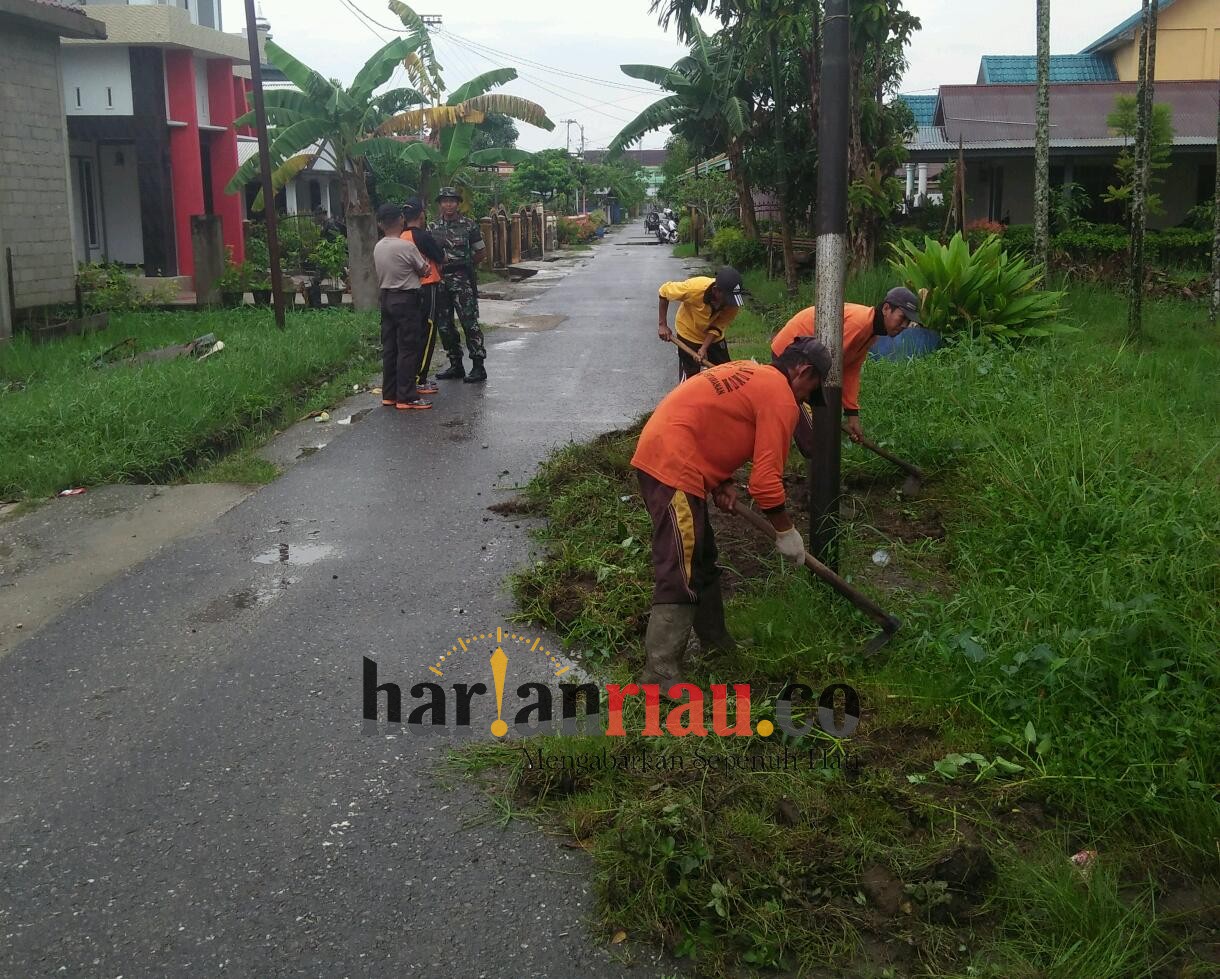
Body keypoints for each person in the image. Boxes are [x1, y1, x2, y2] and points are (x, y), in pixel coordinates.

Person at [629, 337, 831, 687]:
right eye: (809, 392)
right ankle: (659, 674)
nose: (803, 402)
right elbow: (765, 483)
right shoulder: (781, 396)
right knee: (680, 566)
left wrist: (721, 480)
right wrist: (786, 532)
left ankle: (717, 644)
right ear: (805, 372)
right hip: (672, 466)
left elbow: (709, 419)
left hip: (674, 453)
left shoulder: (752, 372)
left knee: (702, 558)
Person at [769, 286, 921, 452]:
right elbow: (830, 364)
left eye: (908, 321)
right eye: (902, 318)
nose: (904, 325)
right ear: (886, 309)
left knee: (817, 435)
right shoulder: (859, 323)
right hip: (792, 359)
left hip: (810, 366)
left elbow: (851, 369)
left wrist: (852, 414)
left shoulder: (872, 332)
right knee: (812, 439)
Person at [372, 203, 431, 410]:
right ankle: (406, 396)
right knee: (407, 347)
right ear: (401, 220)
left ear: (380, 225)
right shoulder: (406, 247)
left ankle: (389, 393)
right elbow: (424, 270)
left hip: (386, 298)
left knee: (390, 347)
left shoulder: (378, 246)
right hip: (406, 299)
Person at [429, 187, 487, 383]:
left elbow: (481, 252)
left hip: (462, 279)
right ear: (440, 203)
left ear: (457, 203)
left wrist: (466, 264)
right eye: (445, 201)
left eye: (452, 201)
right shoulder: (433, 227)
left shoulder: (469, 225)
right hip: (441, 280)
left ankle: (478, 365)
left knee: (469, 322)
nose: (448, 204)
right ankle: (455, 365)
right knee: (444, 325)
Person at [656, 266, 745, 382]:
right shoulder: (694, 288)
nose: (730, 302)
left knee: (725, 374)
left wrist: (704, 348)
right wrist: (662, 324)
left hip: (714, 338)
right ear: (716, 290)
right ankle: (688, 398)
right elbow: (664, 291)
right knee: (690, 379)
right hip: (688, 333)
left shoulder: (733, 302)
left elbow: (718, 325)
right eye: (727, 298)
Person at [400, 199, 445, 396]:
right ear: (421, 216)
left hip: (409, 288)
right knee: (428, 330)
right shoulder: (422, 237)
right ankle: (420, 378)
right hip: (428, 286)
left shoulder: (401, 236)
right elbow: (440, 256)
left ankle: (412, 376)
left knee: (412, 333)